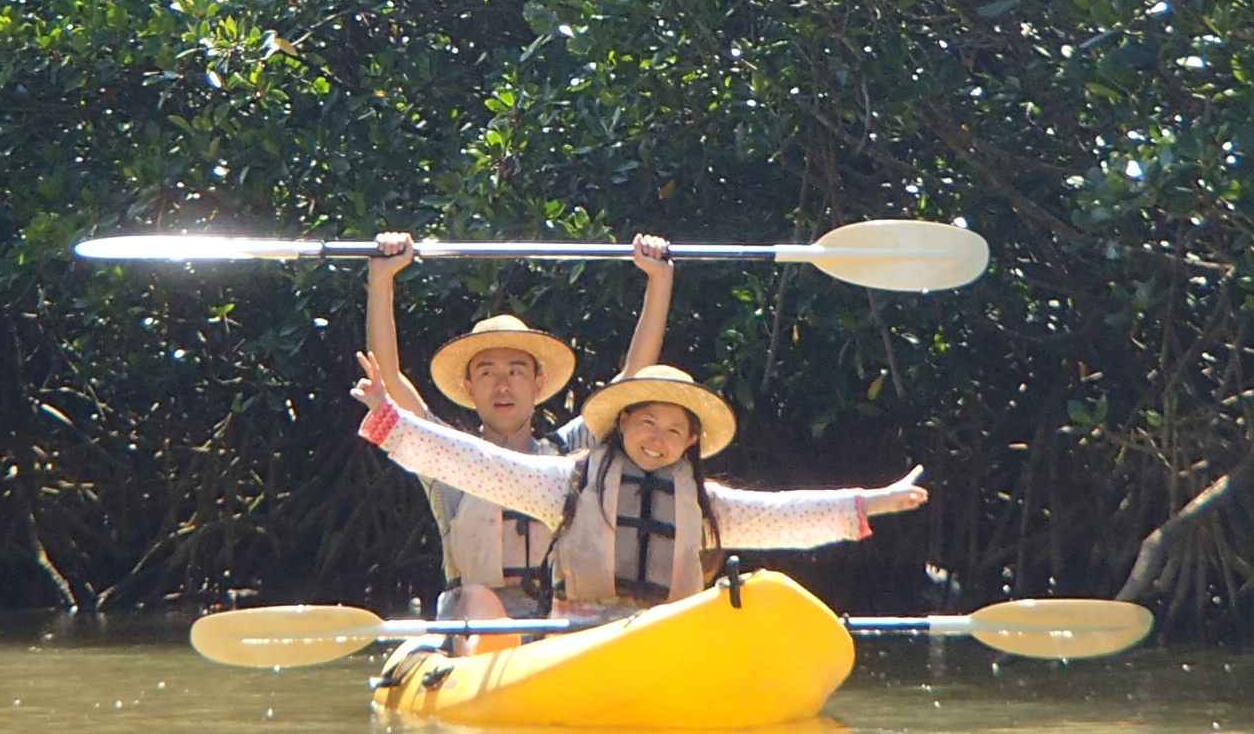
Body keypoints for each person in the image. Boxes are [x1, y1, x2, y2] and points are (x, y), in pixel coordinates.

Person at [351, 356, 926, 620]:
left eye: (675, 430)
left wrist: (878, 500)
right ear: (622, 424)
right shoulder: (566, 483)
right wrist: (390, 419)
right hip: (578, 634)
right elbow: (470, 463)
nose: (658, 439)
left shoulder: (703, 504)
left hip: (661, 632)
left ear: (689, 444)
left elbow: (783, 517)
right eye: (648, 423)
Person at [365, 231, 675, 629]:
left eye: (515, 371)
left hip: (556, 620)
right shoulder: (451, 461)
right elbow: (389, 380)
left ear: (538, 384)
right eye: (487, 373)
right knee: (478, 598)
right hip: (475, 627)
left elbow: (634, 380)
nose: (503, 386)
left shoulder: (569, 454)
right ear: (468, 387)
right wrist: (381, 277)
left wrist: (659, 279)